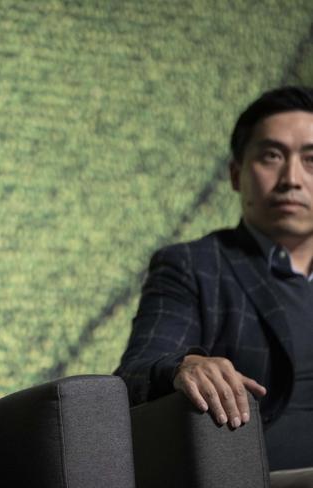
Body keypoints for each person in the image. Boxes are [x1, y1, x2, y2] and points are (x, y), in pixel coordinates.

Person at [115, 86, 313, 479]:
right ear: (236, 174)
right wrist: (184, 365)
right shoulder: (193, 265)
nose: (291, 178)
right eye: (272, 156)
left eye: (311, 160)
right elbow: (134, 373)